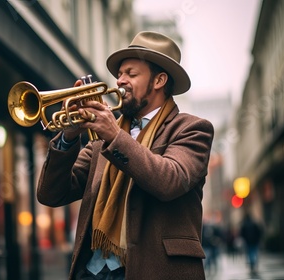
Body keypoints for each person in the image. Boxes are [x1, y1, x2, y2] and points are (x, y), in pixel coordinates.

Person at [36, 31, 214, 280]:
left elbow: (169, 181)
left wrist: (114, 136)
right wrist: (69, 135)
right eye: (119, 74)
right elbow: (51, 194)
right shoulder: (102, 139)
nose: (120, 81)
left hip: (155, 271)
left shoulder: (191, 129)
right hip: (92, 272)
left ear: (159, 80)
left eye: (131, 74)